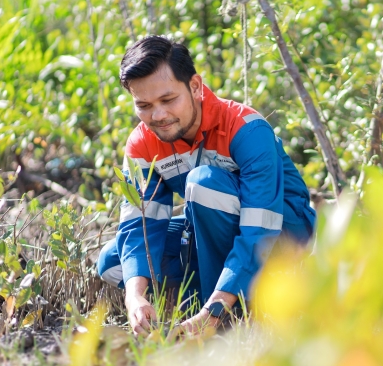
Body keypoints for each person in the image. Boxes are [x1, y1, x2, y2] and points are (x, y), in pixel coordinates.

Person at [97, 35, 316, 336]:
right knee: (113, 261)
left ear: (196, 87)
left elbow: (260, 228)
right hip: (211, 233)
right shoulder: (142, 144)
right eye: (144, 105)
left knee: (204, 185)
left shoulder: (246, 129)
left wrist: (213, 310)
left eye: (168, 99)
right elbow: (140, 226)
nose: (158, 115)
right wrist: (134, 295)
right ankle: (203, 306)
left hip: (282, 235)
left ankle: (222, 317)